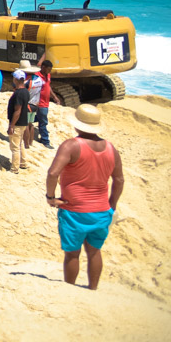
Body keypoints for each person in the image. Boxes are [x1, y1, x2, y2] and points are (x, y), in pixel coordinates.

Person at [46, 104, 124, 290]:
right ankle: (92, 290)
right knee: (94, 252)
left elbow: (52, 173)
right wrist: (111, 205)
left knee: (73, 254)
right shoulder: (111, 148)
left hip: (74, 211)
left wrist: (51, 197)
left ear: (77, 125)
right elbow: (119, 180)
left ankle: (70, 291)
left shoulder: (71, 145)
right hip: (101, 211)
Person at [6, 72, 31, 172]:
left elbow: (17, 110)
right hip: (24, 122)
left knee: (15, 147)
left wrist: (11, 125)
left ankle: (15, 168)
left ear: (15, 79)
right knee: (20, 144)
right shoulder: (25, 91)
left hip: (17, 123)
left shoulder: (18, 93)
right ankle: (23, 163)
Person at [34, 59, 62, 148]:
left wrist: (54, 97)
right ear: (43, 67)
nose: (49, 71)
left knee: (38, 119)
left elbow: (48, 86)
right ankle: (45, 141)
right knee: (43, 122)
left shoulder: (48, 75)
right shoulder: (36, 76)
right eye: (48, 69)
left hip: (46, 103)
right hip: (40, 103)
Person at [23, 60, 44, 148]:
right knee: (31, 124)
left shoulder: (27, 81)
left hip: (28, 103)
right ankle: (31, 142)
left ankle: (26, 144)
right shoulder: (39, 79)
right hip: (36, 103)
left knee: (26, 125)